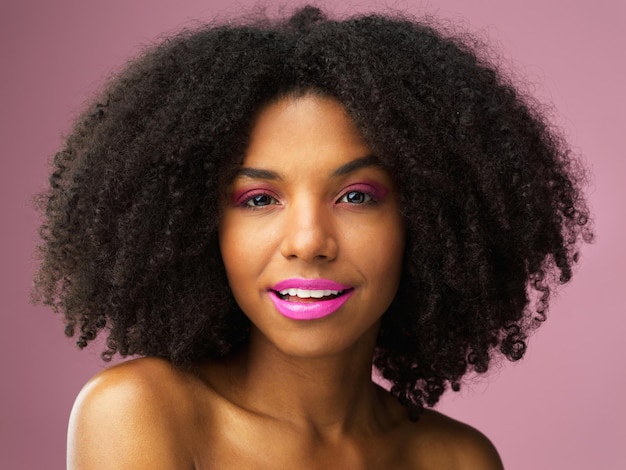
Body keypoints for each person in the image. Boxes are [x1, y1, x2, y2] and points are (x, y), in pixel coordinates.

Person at [33, 6, 591, 469]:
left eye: (356, 196)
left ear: (425, 217)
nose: (308, 241)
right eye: (258, 200)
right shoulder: (141, 412)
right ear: (202, 229)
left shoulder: (457, 459)